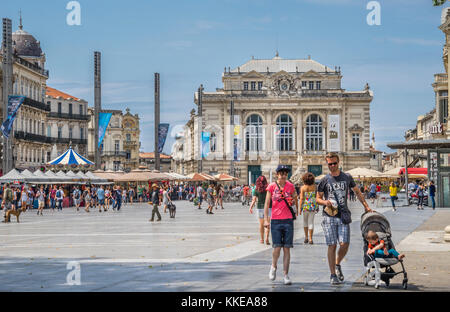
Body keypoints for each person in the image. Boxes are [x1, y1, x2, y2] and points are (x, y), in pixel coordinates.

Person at [317, 152, 372, 286]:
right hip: (328, 216)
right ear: (327, 164)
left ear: (339, 162)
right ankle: (332, 274)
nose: (332, 166)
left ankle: (337, 263)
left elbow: (357, 192)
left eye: (334, 163)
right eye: (330, 164)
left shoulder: (346, 177)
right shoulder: (324, 180)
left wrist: (366, 205)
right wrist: (325, 202)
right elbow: (317, 198)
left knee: (344, 244)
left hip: (343, 215)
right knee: (332, 245)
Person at [264, 165, 298, 286]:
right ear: (277, 174)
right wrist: (266, 220)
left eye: (285, 173)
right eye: (281, 173)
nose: (283, 175)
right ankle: (273, 266)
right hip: (276, 221)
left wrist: (295, 207)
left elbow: (295, 198)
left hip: (288, 220)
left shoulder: (290, 186)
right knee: (277, 247)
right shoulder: (272, 186)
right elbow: (267, 203)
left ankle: (285, 275)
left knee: (287, 248)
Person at [249, 175, 271, 245]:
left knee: (261, 225)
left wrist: (251, 207)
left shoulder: (256, 189)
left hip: (260, 208)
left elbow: (254, 199)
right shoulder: (268, 188)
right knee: (267, 223)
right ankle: (267, 238)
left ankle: (262, 239)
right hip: (268, 208)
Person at [299, 172, 319, 245]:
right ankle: (311, 239)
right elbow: (317, 197)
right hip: (313, 206)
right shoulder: (315, 187)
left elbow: (301, 198)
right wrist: (317, 206)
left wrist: (300, 208)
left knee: (305, 222)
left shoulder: (303, 188)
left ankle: (306, 237)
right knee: (311, 222)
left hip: (305, 206)